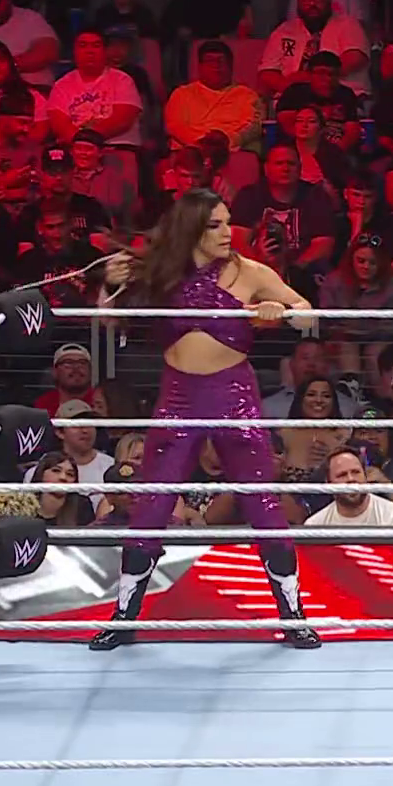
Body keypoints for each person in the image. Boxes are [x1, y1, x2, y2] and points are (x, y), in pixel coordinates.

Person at [91, 188, 321, 651]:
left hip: (234, 395)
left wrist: (282, 312)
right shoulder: (160, 273)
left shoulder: (250, 272)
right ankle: (123, 617)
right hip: (178, 397)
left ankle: (294, 617)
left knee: (262, 505)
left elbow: (308, 314)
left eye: (228, 222)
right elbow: (107, 320)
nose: (227, 232)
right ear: (192, 229)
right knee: (152, 507)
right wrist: (108, 285)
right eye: (215, 225)